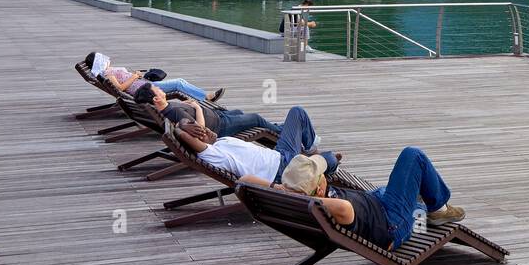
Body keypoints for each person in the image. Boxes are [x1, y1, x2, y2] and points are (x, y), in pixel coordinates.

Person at [281, 146, 465, 251]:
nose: (325, 175)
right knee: (413, 155)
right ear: (319, 189)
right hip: (391, 222)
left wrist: (287, 191)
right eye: (321, 175)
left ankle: (418, 195)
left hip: (375, 203)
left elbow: (249, 179)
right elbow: (345, 207)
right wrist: (302, 197)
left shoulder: (296, 197)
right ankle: (437, 210)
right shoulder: (336, 207)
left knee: (399, 185)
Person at [175, 107, 339, 187]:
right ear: (198, 141)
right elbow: (183, 135)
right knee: (331, 158)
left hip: (280, 155)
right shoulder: (212, 153)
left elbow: (197, 128)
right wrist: (180, 129)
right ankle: (324, 164)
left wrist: (194, 112)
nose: (207, 131)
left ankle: (312, 154)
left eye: (204, 128)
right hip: (282, 170)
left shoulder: (217, 141)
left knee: (297, 113)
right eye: (201, 133)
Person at [138, 85, 282, 141]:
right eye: (156, 88)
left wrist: (185, 105)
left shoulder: (167, 108)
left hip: (218, 116)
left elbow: (181, 115)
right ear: (156, 98)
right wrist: (198, 108)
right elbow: (200, 129)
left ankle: (273, 128)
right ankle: (280, 131)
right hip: (220, 127)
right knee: (256, 118)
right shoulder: (173, 111)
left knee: (239, 112)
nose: (159, 87)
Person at [83, 52, 224, 104]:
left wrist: (136, 76)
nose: (108, 59)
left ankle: (202, 97)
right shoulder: (107, 74)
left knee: (177, 83)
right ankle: (206, 97)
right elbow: (119, 88)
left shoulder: (106, 72)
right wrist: (134, 76)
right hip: (144, 89)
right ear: (99, 62)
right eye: (104, 59)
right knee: (179, 83)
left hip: (143, 84)